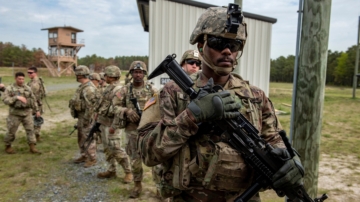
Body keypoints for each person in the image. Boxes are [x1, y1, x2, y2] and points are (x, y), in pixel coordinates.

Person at [137, 5, 304, 202]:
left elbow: (274, 139)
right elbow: (147, 154)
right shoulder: (173, 93)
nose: (227, 51)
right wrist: (191, 117)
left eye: (234, 46)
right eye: (218, 42)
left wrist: (287, 159)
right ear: (201, 46)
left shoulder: (255, 96)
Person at [112, 61, 157, 198]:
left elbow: (160, 106)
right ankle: (137, 185)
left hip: (149, 130)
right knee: (135, 160)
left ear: (144, 74)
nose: (138, 74)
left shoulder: (152, 90)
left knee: (156, 160)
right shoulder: (124, 90)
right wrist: (126, 110)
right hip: (132, 131)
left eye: (140, 72)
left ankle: (159, 187)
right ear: (131, 73)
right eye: (135, 72)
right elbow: (113, 107)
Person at [94, 65, 133, 183]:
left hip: (113, 124)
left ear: (111, 76)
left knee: (116, 148)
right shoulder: (108, 88)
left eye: (106, 75)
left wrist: (114, 126)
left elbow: (119, 109)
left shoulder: (119, 89)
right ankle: (112, 170)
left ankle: (128, 171)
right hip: (104, 122)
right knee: (107, 148)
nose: (104, 77)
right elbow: (103, 104)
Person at [2, 72, 41, 154]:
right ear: (15, 78)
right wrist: (16, 97)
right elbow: (5, 100)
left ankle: (32, 147)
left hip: (27, 113)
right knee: (11, 131)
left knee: (30, 130)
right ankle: (8, 146)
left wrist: (37, 110)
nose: (21, 80)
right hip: (15, 114)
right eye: (19, 79)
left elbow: (33, 100)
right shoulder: (10, 88)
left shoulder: (27, 88)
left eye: (23, 79)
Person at [68, 65, 98, 168]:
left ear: (80, 75)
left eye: (77, 74)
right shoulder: (82, 86)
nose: (75, 76)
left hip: (87, 117)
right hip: (82, 116)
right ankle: (85, 155)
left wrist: (86, 119)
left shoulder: (88, 88)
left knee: (88, 137)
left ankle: (92, 158)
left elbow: (91, 106)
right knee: (81, 137)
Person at [27, 66, 46, 142]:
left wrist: (36, 108)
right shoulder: (33, 81)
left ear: (35, 73)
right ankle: (35, 136)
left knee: (35, 121)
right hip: (35, 104)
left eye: (31, 73)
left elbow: (33, 96)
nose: (29, 74)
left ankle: (36, 136)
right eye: (28, 72)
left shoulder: (35, 83)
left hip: (35, 104)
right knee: (34, 120)